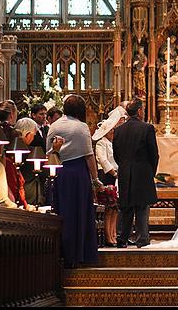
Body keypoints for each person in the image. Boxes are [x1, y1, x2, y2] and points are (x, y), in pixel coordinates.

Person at [47, 95, 99, 267]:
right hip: (78, 173)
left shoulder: (54, 126)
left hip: (60, 172)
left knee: (63, 212)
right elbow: (89, 155)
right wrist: (95, 179)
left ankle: (64, 253)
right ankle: (81, 253)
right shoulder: (81, 127)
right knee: (80, 212)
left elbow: (49, 153)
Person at [112, 98, 159, 248]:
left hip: (125, 172)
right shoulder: (147, 128)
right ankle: (142, 238)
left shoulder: (118, 130)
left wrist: (125, 166)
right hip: (143, 173)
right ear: (139, 111)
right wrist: (150, 171)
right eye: (143, 109)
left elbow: (116, 155)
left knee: (125, 207)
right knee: (142, 207)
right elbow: (154, 154)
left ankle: (122, 238)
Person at [92, 105, 126, 247]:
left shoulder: (111, 143)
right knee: (108, 207)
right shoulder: (101, 142)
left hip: (115, 176)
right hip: (107, 176)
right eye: (111, 130)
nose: (113, 132)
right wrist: (113, 172)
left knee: (114, 208)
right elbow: (102, 159)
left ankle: (113, 234)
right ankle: (108, 235)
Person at [15, 117, 45, 206]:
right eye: (34, 135)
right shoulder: (31, 153)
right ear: (28, 134)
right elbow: (44, 171)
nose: (34, 138)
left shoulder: (10, 148)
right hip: (29, 195)